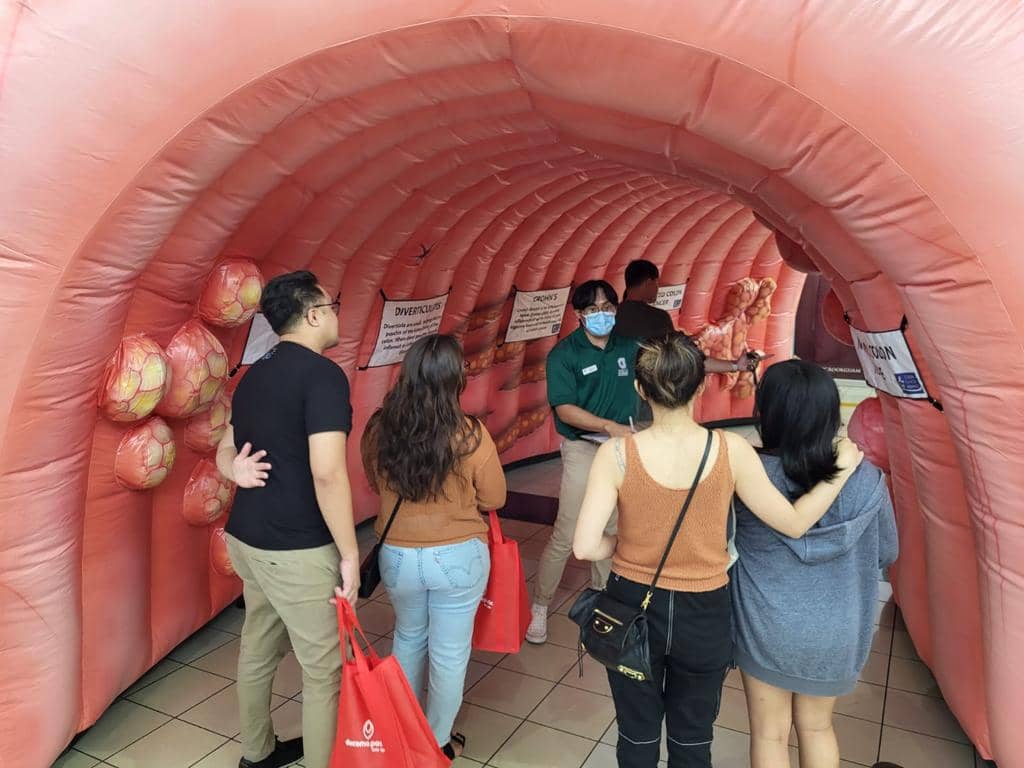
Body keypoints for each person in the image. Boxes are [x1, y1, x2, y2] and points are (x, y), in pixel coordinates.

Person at [571, 333, 864, 768]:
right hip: (704, 611)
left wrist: (624, 542)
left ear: (640, 390)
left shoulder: (616, 454)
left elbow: (584, 546)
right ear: (701, 386)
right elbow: (794, 522)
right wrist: (841, 471)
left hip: (631, 603)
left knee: (636, 733)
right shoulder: (732, 450)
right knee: (692, 738)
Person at [526, 280, 758, 645]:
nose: (600, 314)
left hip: (623, 444)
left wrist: (733, 364)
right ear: (578, 314)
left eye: (607, 307)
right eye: (592, 309)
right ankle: (539, 606)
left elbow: (681, 361)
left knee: (616, 524)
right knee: (569, 530)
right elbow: (564, 408)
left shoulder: (627, 346)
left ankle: (605, 598)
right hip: (585, 445)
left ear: (616, 309)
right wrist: (608, 426)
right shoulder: (564, 355)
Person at [216, 271, 360, 768]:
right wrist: (349, 554)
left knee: (259, 645)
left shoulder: (255, 372)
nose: (337, 312)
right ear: (314, 313)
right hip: (295, 549)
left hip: (248, 539)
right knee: (324, 671)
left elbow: (225, 449)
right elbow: (327, 474)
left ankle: (256, 754)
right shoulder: (323, 376)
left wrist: (231, 469)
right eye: (333, 303)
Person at [732, 360, 898, 768]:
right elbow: (887, 553)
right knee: (818, 728)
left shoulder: (750, 476)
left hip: (766, 625)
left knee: (769, 732)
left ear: (767, 412)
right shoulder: (866, 478)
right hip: (837, 629)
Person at [361, 334, 507, 760]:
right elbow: (495, 498)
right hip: (458, 558)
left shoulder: (378, 429)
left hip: (399, 557)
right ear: (456, 379)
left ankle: (401, 733)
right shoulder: (471, 435)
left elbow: (375, 484)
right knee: (449, 652)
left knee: (408, 637)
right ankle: (436, 741)